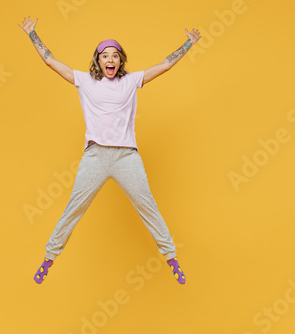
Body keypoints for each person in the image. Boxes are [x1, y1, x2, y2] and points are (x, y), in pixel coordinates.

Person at [18, 16, 201, 285]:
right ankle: (49, 258)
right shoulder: (84, 81)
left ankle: (172, 258)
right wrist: (32, 34)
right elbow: (51, 61)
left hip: (126, 156)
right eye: (105, 56)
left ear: (120, 60)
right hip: (96, 156)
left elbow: (164, 65)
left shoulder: (131, 81)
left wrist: (189, 43)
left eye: (115, 55)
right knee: (74, 208)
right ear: (98, 61)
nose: (110, 59)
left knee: (147, 205)